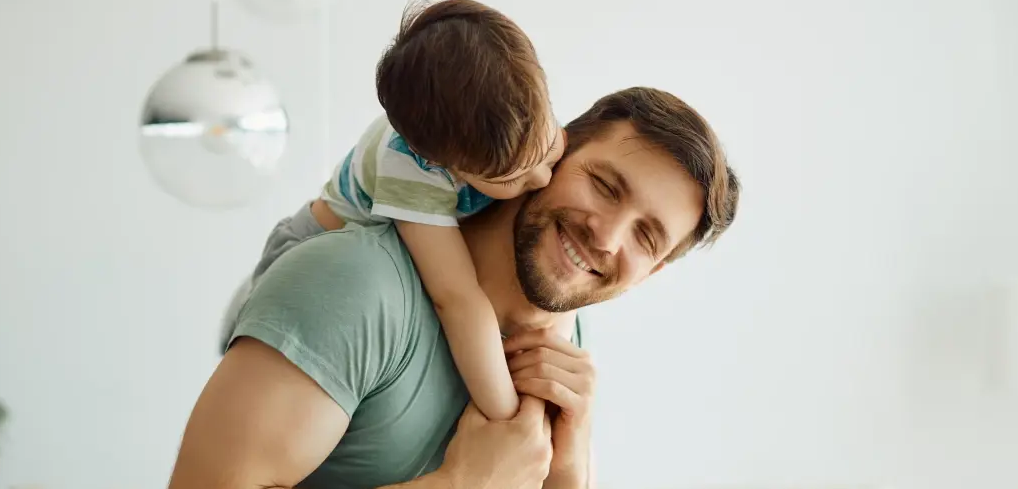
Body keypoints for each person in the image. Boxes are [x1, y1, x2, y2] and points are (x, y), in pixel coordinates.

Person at [172, 87, 740, 489]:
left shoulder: (566, 338)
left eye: (646, 237)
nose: (607, 237)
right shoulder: (357, 286)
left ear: (655, 269)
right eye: (605, 186)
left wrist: (568, 464)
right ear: (556, 150)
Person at [219, 0, 563, 422]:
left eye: (549, 148)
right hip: (309, 256)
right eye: (512, 178)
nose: (543, 180)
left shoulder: (518, 112)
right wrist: (510, 418)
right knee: (264, 391)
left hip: (378, 263)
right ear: (442, 164)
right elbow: (457, 299)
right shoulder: (412, 168)